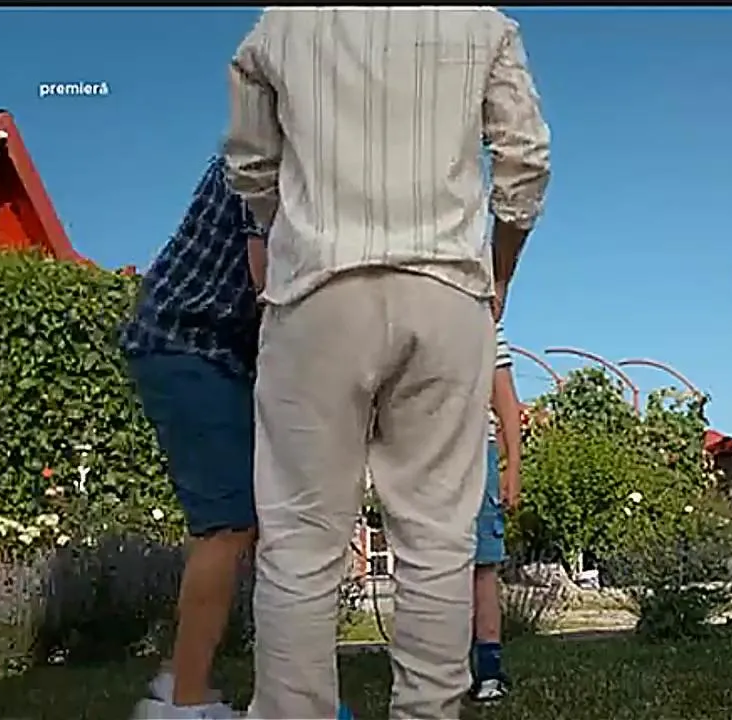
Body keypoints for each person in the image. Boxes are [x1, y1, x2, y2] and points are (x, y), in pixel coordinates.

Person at [223, 7, 550, 720]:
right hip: (446, 291)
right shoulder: (483, 24)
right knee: (438, 539)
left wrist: (300, 235)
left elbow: (250, 167)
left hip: (315, 295)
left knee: (300, 541)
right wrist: (499, 271)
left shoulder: (279, 26)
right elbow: (525, 159)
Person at [120, 155, 267, 720]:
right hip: (188, 343)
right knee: (227, 524)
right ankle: (184, 704)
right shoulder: (274, 146)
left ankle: (180, 676)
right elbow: (270, 282)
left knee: (249, 523)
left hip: (207, 348)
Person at [468, 321, 522, 703]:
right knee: (430, 563)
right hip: (422, 452)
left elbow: (504, 395)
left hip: (477, 453)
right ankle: (440, 667)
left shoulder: (485, 324)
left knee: (483, 564)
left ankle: (489, 671)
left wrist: (512, 465)